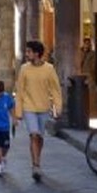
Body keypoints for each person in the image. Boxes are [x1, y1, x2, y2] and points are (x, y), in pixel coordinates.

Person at [14, 40, 63, 183]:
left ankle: (37, 160)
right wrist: (18, 112)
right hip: (29, 107)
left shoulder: (49, 69)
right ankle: (35, 166)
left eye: (29, 51)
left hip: (44, 108)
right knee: (34, 135)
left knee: (40, 137)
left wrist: (57, 107)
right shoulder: (24, 69)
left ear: (37, 53)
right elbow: (20, 90)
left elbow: (55, 89)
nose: (27, 54)